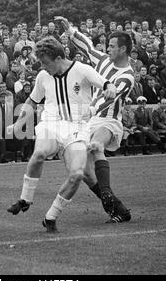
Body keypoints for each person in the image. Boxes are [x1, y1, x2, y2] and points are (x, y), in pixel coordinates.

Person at [7, 36, 111, 233]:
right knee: (38, 155)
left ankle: (51, 216)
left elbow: (106, 84)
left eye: (46, 63)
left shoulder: (82, 70)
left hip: (77, 128)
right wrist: (19, 122)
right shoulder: (43, 76)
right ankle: (25, 199)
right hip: (51, 124)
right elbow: (31, 102)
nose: (44, 68)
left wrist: (111, 88)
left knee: (77, 175)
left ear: (58, 58)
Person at [56, 16, 134, 223]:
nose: (107, 48)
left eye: (111, 46)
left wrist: (91, 109)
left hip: (108, 121)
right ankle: (118, 209)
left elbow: (111, 97)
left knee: (97, 145)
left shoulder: (127, 76)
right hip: (89, 120)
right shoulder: (102, 61)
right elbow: (87, 46)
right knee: (84, 173)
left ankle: (106, 192)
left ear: (123, 49)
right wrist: (71, 30)